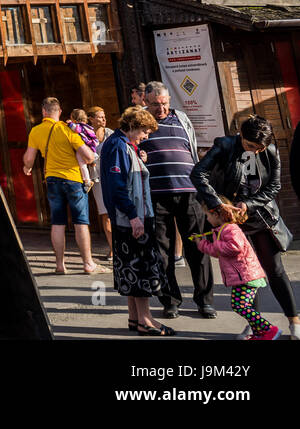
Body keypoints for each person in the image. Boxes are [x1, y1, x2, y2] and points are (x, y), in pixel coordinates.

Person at [192, 115, 299, 340]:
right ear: (241, 135)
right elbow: (197, 173)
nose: (257, 151)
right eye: (251, 146)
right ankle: (255, 323)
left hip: (260, 216)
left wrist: (248, 204)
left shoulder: (269, 150)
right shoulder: (224, 145)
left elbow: (274, 185)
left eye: (261, 147)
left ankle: (294, 321)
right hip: (231, 219)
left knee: (274, 269)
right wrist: (217, 203)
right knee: (246, 276)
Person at [143, 81, 214, 319]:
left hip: (189, 192)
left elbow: (192, 149)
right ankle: (170, 301)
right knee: (162, 252)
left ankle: (205, 301)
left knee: (198, 247)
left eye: (163, 104)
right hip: (156, 195)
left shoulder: (181, 118)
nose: (160, 109)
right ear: (146, 102)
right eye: (155, 105)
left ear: (169, 101)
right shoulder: (140, 121)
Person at [100, 107, 171, 335]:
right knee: (142, 270)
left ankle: (135, 318)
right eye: (144, 131)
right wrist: (133, 216)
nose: (146, 136)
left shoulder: (124, 145)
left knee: (132, 269)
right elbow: (118, 186)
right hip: (132, 218)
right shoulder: (118, 145)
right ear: (132, 126)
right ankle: (145, 321)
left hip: (132, 217)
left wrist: (140, 158)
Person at [23, 97, 99, 274]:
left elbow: (28, 159)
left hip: (52, 180)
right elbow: (88, 156)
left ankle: (59, 265)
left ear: (44, 112)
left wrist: (27, 167)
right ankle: (88, 264)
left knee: (58, 222)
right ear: (59, 112)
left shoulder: (36, 131)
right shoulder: (68, 129)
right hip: (73, 180)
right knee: (81, 222)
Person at [195, 199, 281, 340]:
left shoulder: (230, 229)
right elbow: (219, 253)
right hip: (242, 276)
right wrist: (203, 244)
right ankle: (260, 333)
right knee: (240, 306)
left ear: (217, 214)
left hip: (247, 276)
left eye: (207, 215)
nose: (206, 218)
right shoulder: (222, 230)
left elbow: (235, 247)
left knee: (240, 306)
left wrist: (214, 244)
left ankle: (270, 330)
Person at [88, 107, 115, 260]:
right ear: (91, 119)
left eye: (104, 116)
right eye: (99, 117)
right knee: (106, 214)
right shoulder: (86, 135)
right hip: (97, 179)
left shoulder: (111, 134)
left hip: (112, 177)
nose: (103, 119)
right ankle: (113, 249)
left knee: (117, 212)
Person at [67, 108, 99, 188]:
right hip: (92, 149)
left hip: (85, 147)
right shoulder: (88, 127)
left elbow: (76, 129)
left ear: (75, 119)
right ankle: (93, 161)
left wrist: (69, 124)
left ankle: (87, 181)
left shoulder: (80, 126)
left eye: (71, 118)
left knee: (82, 164)